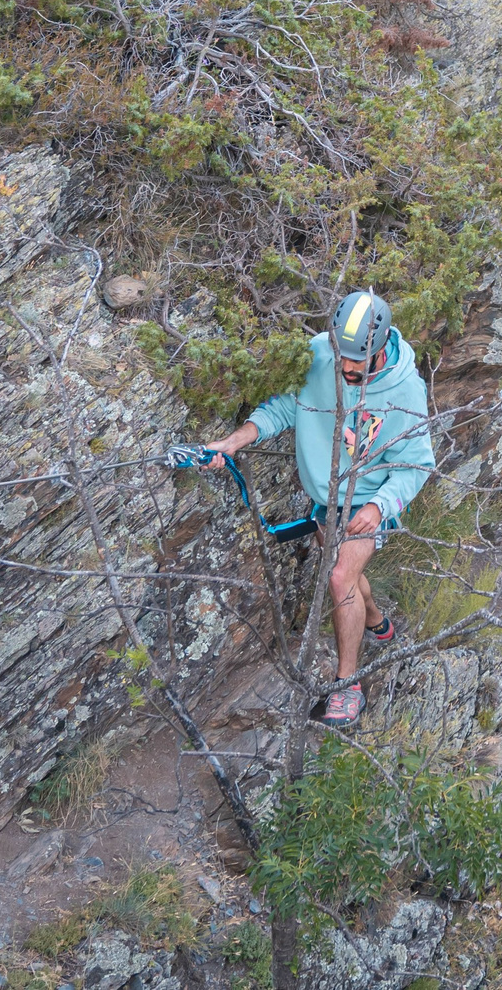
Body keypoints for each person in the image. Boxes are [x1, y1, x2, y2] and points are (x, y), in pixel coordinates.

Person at [180, 291, 435, 727]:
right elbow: (284, 408)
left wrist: (379, 507)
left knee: (339, 576)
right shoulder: (319, 354)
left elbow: (416, 464)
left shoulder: (406, 389)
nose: (346, 368)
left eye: (357, 363)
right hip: (326, 496)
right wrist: (233, 442)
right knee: (343, 571)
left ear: (380, 349)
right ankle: (376, 620)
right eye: (341, 358)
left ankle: (347, 686)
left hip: (373, 498)